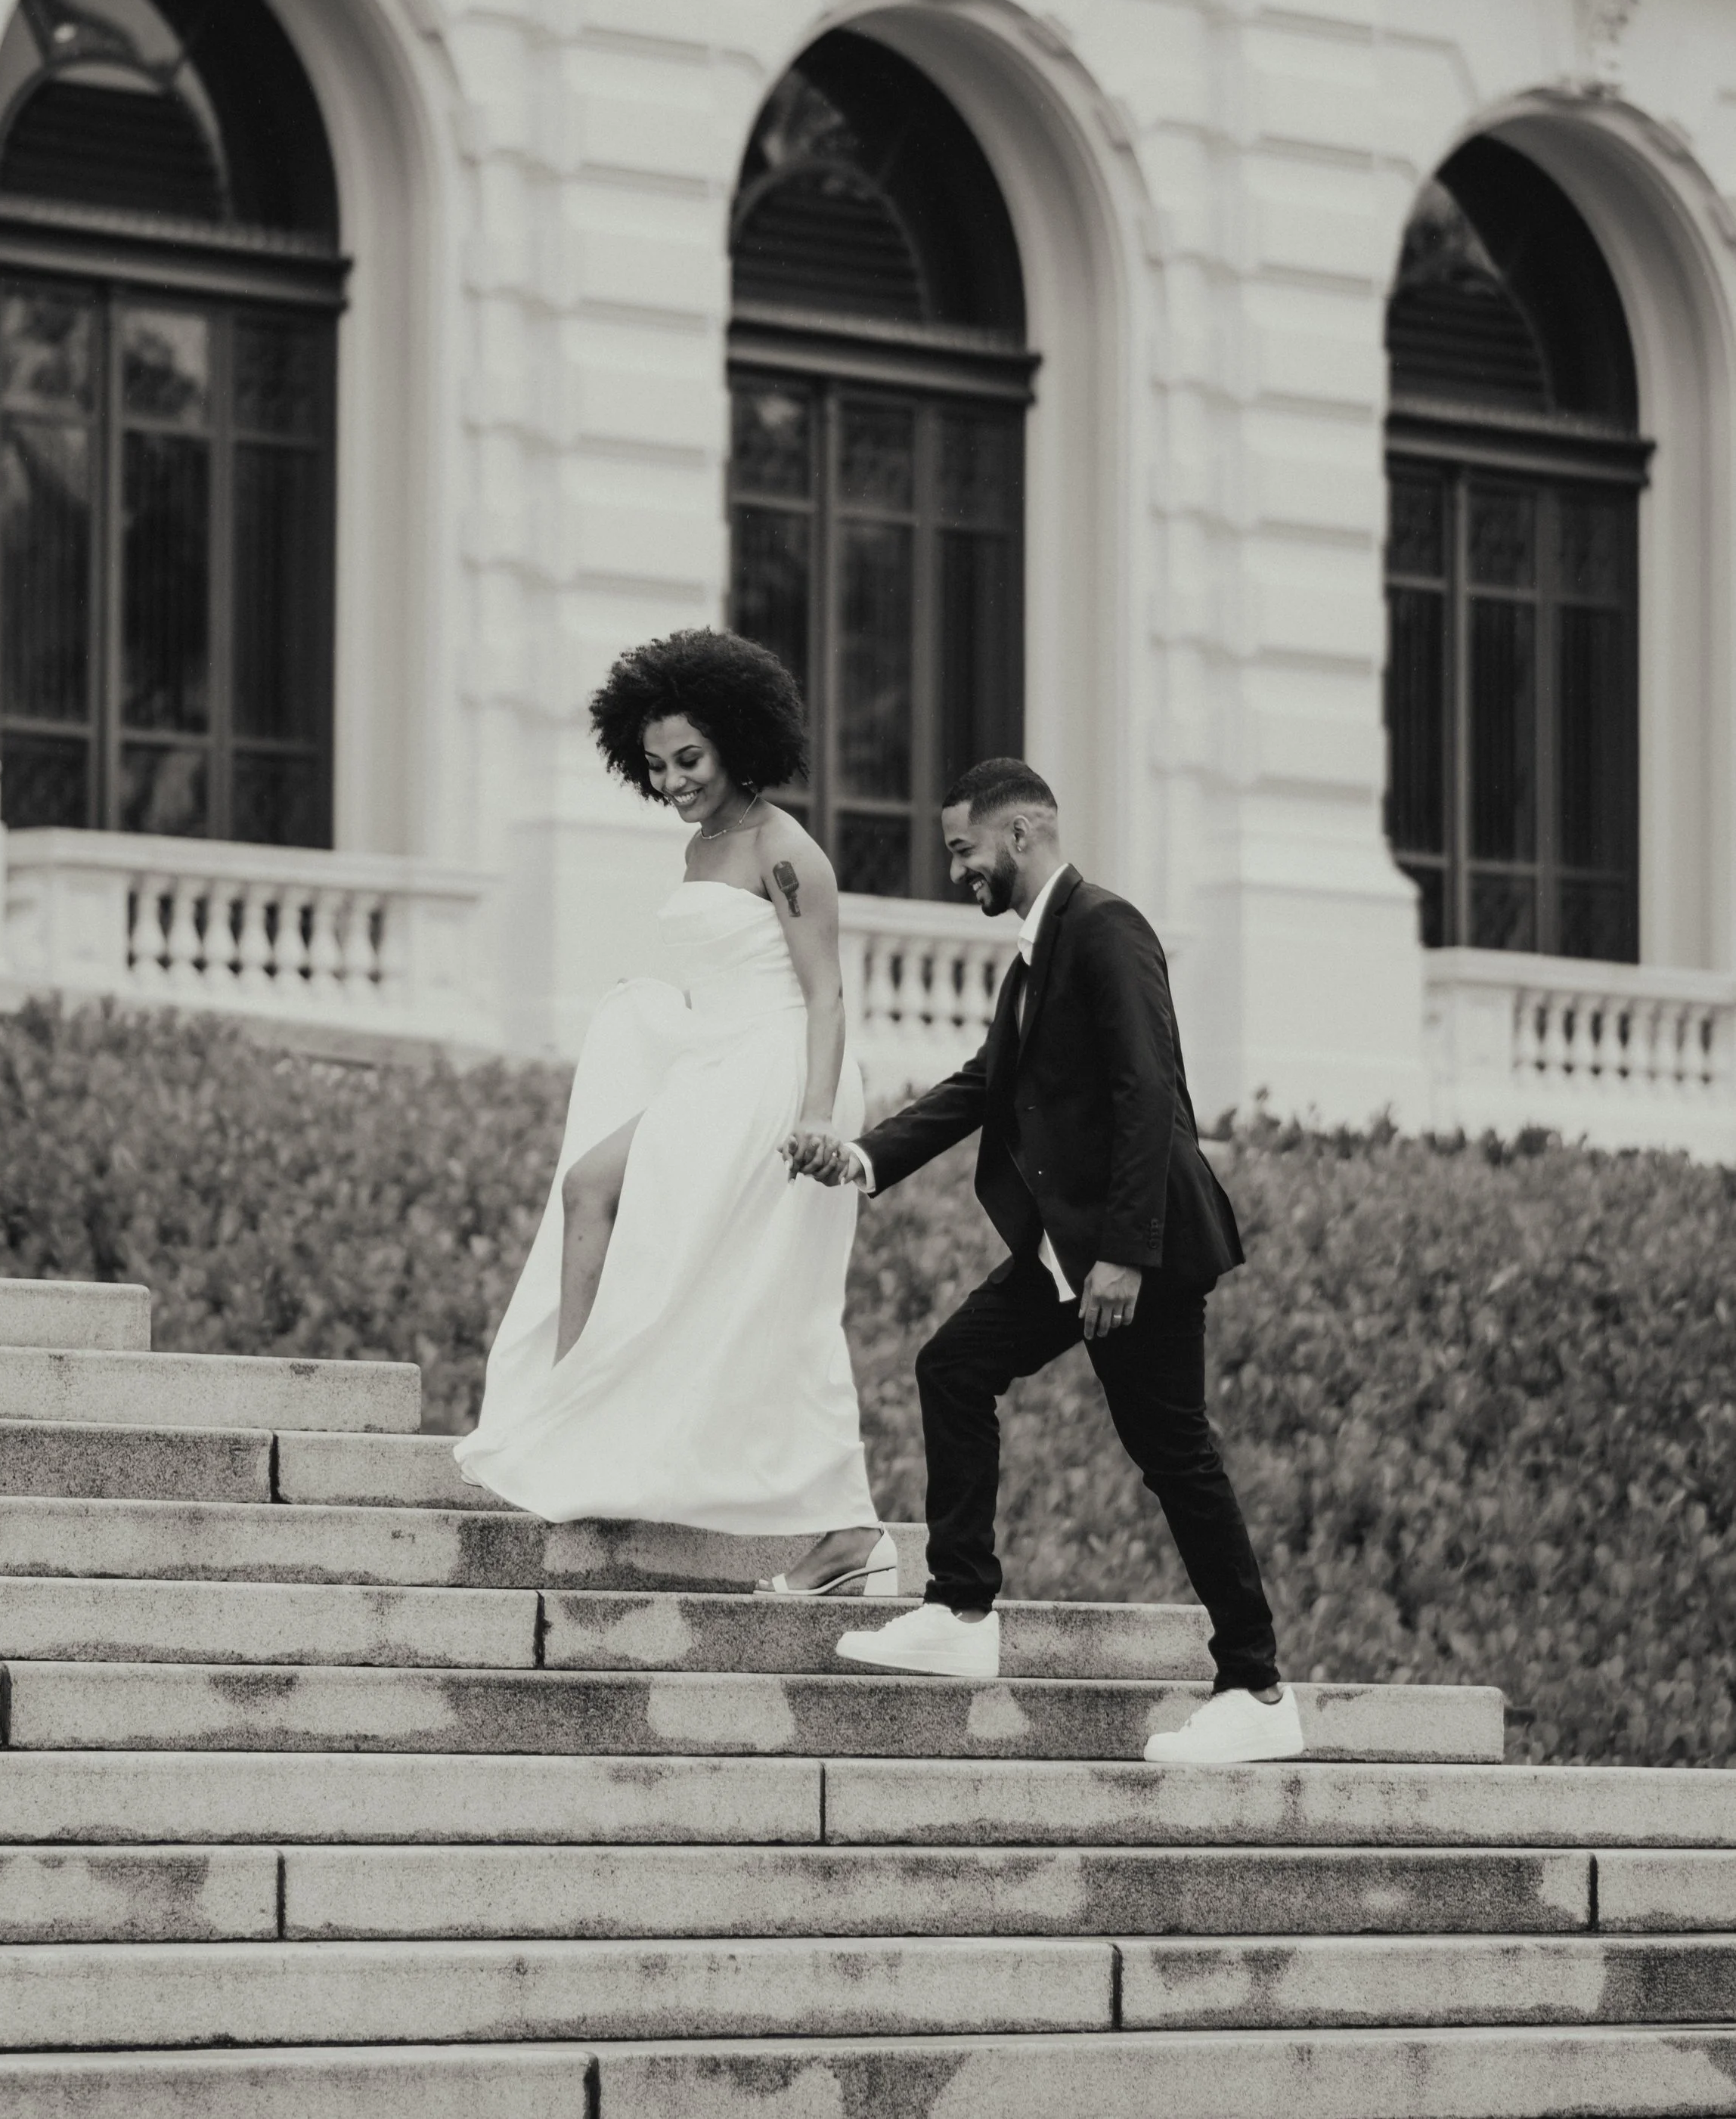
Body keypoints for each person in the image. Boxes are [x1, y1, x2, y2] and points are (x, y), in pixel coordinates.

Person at [786, 757, 1301, 1765]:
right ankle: (963, 1612)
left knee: (1175, 1455)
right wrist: (861, 1156)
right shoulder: (1035, 955)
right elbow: (986, 1084)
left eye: (963, 849)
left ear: (1020, 834)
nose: (955, 870)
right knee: (954, 1366)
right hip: (1077, 1247)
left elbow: (1150, 1093)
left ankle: (1256, 1685)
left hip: (1129, 1247)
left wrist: (1124, 1255)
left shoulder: (1105, 927)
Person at [454, 628, 894, 1600]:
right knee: (611, 1206)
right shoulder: (703, 844)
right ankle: (578, 1421)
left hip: (782, 1079)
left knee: (766, 1286)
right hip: (722, 1066)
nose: (673, 782)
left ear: (737, 740)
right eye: (654, 767)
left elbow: (824, 998)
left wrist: (819, 1118)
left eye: (688, 759)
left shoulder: (786, 851)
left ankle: (845, 1529)